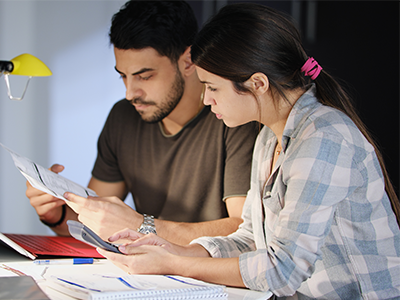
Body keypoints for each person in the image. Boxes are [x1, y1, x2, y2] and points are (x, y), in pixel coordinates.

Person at [96, 3, 400, 299]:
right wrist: (177, 250)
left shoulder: (324, 139)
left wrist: (175, 264)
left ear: (257, 84)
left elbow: (282, 270)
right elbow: (253, 239)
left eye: (213, 88)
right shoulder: (270, 137)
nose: (205, 100)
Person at [26, 1, 258, 245]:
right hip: (146, 274)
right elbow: (92, 221)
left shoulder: (234, 117)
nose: (130, 92)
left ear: (189, 61)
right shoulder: (123, 117)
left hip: (211, 276)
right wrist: (54, 213)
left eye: (145, 76)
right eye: (123, 76)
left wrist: (140, 226)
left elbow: (243, 229)